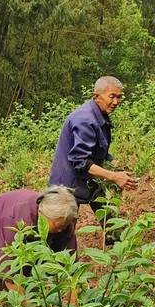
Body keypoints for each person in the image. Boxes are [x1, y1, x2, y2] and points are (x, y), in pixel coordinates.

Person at [47, 76, 137, 211]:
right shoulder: (85, 120)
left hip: (90, 180)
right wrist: (114, 177)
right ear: (97, 96)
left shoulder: (100, 115)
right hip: (66, 186)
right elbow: (81, 161)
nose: (116, 102)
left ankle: (115, 233)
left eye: (119, 97)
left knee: (110, 218)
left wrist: (114, 164)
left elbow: (97, 149)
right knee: (62, 228)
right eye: (112, 96)